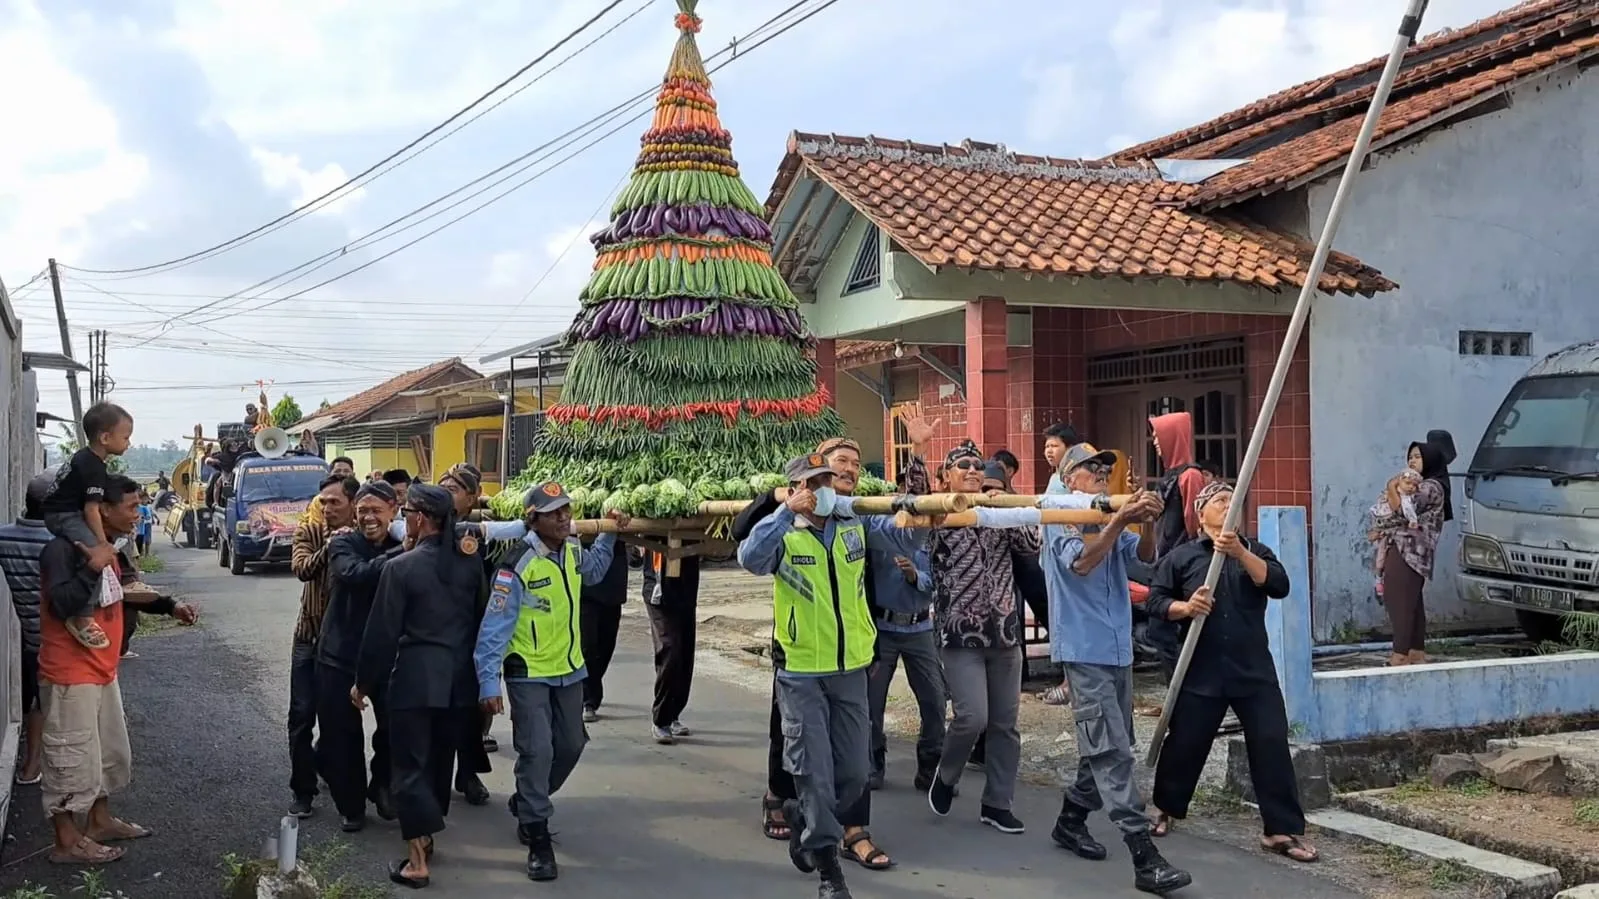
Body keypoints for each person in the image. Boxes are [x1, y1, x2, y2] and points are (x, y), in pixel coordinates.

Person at [1040, 444, 1189, 894]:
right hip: (1085, 650)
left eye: (1105, 467)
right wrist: (1121, 519)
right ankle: (1144, 855)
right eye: (1091, 468)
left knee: (1110, 740)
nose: (1102, 473)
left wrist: (1150, 516)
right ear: (1070, 478)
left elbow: (1136, 562)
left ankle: (1071, 819)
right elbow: (1083, 563)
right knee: (1111, 751)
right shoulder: (1060, 515)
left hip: (1117, 648)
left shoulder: (1108, 511)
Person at [738, 452, 887, 899]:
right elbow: (750, 557)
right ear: (798, 488)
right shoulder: (786, 534)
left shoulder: (853, 526)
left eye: (828, 480)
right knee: (815, 772)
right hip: (802, 673)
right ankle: (828, 870)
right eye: (814, 482)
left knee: (857, 772)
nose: (824, 489)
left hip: (852, 670)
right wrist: (784, 511)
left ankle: (804, 816)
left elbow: (904, 534)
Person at [1145, 481, 1317, 863]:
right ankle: (1166, 808)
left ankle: (1280, 829)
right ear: (1200, 512)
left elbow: (1279, 584)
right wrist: (1185, 609)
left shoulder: (1255, 550)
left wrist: (1240, 552)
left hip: (1252, 670)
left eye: (1234, 502)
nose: (1229, 507)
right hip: (1201, 668)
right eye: (1221, 501)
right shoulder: (1182, 558)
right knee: (1185, 742)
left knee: (1271, 742)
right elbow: (1156, 601)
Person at [38, 475, 197, 865]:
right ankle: (66, 842)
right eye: (130, 506)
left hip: (101, 670)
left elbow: (124, 591)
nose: (139, 511)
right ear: (102, 510)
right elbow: (62, 605)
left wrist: (167, 604)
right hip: (70, 674)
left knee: (107, 755)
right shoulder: (63, 550)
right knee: (69, 760)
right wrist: (93, 567)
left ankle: (100, 820)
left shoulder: (108, 549)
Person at [475, 483, 625, 882]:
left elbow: (592, 573)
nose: (563, 517)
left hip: (569, 668)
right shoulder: (517, 563)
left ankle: (528, 799)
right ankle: (538, 834)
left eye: (566, 510)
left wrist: (609, 533)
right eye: (553, 512)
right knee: (537, 749)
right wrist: (488, 683)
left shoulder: (573, 549)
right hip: (529, 671)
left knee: (572, 744)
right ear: (532, 519)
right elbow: (494, 627)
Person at [355, 484, 484, 889]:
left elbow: (381, 635)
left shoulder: (402, 568)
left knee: (409, 768)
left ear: (420, 519)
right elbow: (481, 620)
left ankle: (416, 863)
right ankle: (427, 836)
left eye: (407, 511)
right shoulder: (469, 564)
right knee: (439, 764)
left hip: (414, 680)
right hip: (459, 683)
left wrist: (362, 682)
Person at [925, 442, 1039, 836]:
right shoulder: (941, 515)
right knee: (973, 716)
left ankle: (997, 802)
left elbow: (1031, 544)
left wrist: (1006, 506)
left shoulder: (998, 513)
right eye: (963, 466)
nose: (973, 471)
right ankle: (948, 773)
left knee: (1005, 725)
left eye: (979, 467)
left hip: (1005, 632)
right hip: (960, 635)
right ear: (947, 477)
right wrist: (923, 448)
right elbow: (915, 503)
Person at [317, 480, 402, 831]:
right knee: (341, 735)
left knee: (395, 730)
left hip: (386, 656)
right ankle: (350, 806)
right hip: (339, 654)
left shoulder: (404, 543)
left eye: (376, 511)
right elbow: (355, 574)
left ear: (394, 512)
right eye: (363, 510)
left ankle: (382, 785)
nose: (369, 518)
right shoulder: (342, 543)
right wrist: (407, 552)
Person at [287, 473, 358, 818]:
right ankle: (303, 791)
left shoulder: (365, 533)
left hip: (345, 644)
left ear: (352, 504)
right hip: (309, 637)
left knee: (339, 719)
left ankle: (346, 791)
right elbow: (300, 568)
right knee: (301, 716)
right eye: (323, 502)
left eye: (336, 502)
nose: (328, 508)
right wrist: (330, 547)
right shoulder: (310, 531)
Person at [41, 402, 134, 650]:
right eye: (125, 437)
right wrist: (101, 542)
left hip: (61, 511)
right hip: (64, 515)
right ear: (105, 437)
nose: (128, 443)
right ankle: (82, 616)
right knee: (96, 554)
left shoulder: (87, 459)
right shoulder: (93, 466)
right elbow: (91, 509)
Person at [0, 473, 57, 786]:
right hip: (64, 641)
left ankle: (31, 765)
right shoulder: (60, 543)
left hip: (32, 639)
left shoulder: (5, 537)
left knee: (35, 702)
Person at [1377, 442, 1449, 667]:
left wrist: (1391, 486)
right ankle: (1415, 652)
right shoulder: (1423, 484)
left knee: (1399, 600)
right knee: (1412, 602)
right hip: (1410, 550)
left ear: (1430, 460)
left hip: (1409, 549)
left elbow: (1402, 509)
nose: (1412, 461)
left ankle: (1399, 655)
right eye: (1410, 457)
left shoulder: (1429, 487)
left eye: (1418, 457)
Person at [639, 547, 701, 745]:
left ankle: (674, 713)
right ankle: (661, 719)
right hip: (658, 591)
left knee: (684, 654)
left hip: (686, 590)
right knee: (670, 649)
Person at [578, 525, 631, 724]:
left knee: (607, 643)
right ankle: (588, 700)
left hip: (613, 579)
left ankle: (592, 685)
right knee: (587, 645)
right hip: (584, 581)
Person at [1367, 467, 1423, 594]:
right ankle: (1378, 579)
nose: (1410, 487)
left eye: (1414, 485)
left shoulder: (1410, 498)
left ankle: (1379, 580)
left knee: (1383, 557)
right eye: (1407, 483)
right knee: (1380, 557)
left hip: (1391, 532)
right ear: (1399, 482)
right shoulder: (1395, 495)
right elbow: (1403, 512)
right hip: (1384, 530)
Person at [1042, 422, 1083, 495]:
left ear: (1069, 448)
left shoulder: (1076, 477)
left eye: (1054, 446)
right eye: (1047, 446)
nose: (1049, 451)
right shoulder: (1054, 477)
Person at [135, 492, 153, 557]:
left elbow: (150, 515)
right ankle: (141, 554)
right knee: (139, 541)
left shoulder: (148, 507)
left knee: (147, 540)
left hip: (147, 524)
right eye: (142, 499)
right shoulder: (136, 507)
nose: (144, 500)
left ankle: (147, 554)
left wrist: (143, 517)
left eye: (146, 499)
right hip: (139, 526)